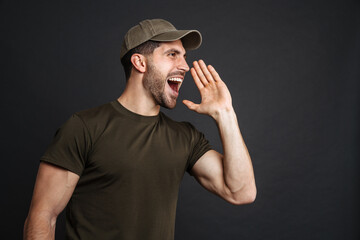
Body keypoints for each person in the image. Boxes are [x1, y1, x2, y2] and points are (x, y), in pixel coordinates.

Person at [24, 19, 256, 240]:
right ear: (140, 62)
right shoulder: (84, 127)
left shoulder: (185, 137)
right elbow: (43, 218)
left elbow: (241, 192)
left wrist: (225, 114)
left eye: (184, 56)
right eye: (172, 54)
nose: (185, 66)